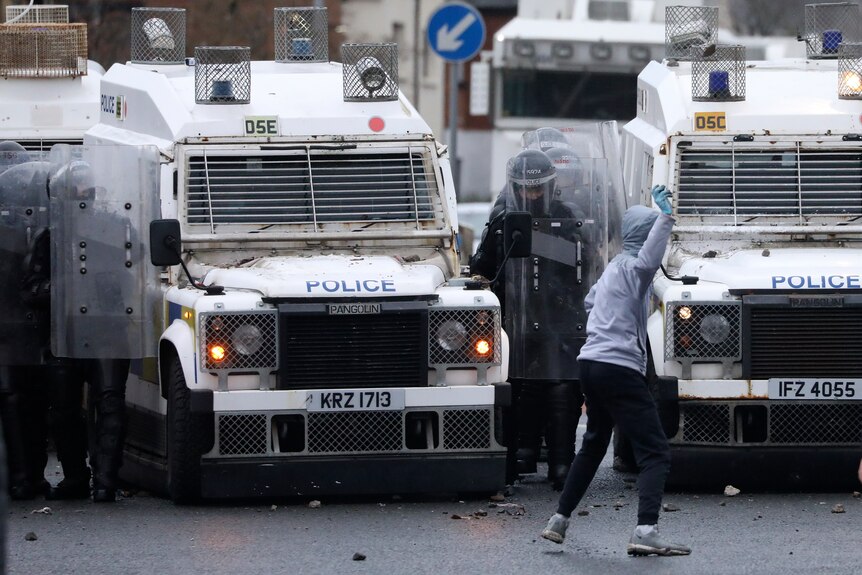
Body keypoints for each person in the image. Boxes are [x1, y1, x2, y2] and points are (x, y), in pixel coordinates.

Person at [540, 185, 691, 556]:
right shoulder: (635, 270)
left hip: (591, 364)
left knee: (592, 446)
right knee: (655, 450)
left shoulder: (612, 270)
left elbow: (591, 302)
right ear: (645, 237)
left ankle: (558, 520)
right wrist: (667, 219)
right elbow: (648, 260)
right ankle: (646, 530)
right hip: (619, 367)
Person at [471, 149, 586, 489]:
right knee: (519, 387)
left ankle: (563, 464)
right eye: (523, 189)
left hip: (561, 314)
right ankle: (518, 457)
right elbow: (483, 268)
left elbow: (588, 262)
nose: (530, 196)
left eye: (537, 189)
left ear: (550, 187)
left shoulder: (570, 216)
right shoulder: (502, 218)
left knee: (563, 386)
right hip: (516, 317)